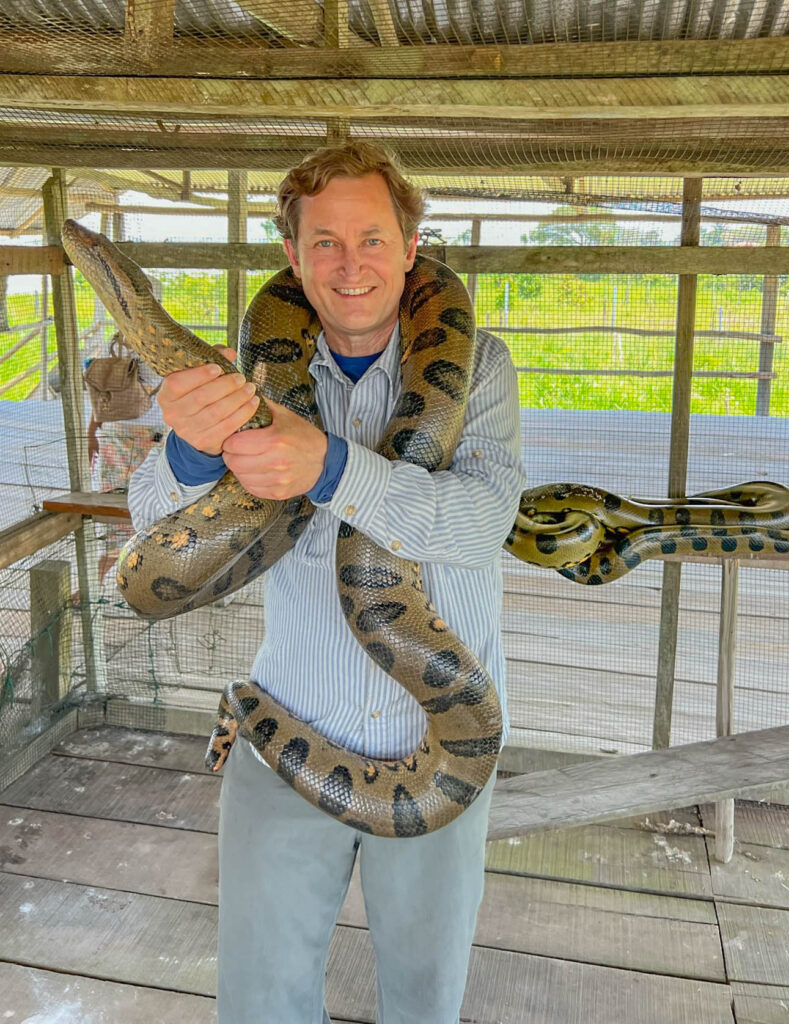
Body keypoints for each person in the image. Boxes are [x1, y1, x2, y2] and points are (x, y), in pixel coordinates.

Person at [128, 141, 525, 1024]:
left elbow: (479, 522)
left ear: (411, 245)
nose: (351, 265)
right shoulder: (253, 381)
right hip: (285, 736)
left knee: (424, 1001)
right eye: (325, 244)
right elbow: (152, 532)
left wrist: (332, 467)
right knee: (260, 1000)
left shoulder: (482, 367)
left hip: (445, 743)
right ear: (293, 256)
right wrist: (190, 447)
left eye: (373, 239)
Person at [87, 330, 165, 582]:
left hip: (133, 434)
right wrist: (92, 431)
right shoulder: (149, 345)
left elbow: (104, 395)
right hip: (133, 436)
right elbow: (104, 392)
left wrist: (92, 431)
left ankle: (137, 577)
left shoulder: (116, 344)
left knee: (145, 505)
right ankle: (105, 576)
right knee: (122, 504)